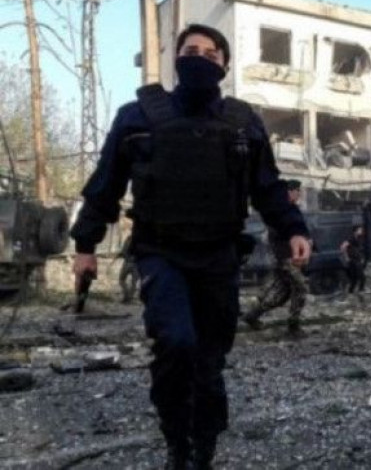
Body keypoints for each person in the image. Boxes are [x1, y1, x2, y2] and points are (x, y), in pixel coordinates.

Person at [70, 24, 311, 470]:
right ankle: (176, 443)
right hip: (161, 252)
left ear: (224, 66)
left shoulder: (242, 123)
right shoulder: (137, 117)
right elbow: (105, 184)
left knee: (209, 359)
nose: (200, 57)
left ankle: (203, 449)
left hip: (219, 255)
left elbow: (267, 186)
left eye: (211, 53)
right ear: (177, 58)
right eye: (191, 50)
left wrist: (295, 228)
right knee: (176, 343)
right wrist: (85, 245)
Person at [242, 179, 310, 336]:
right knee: (301, 288)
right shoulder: (280, 211)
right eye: (296, 191)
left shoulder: (292, 210)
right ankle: (293, 326)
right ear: (288, 192)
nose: (299, 194)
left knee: (282, 294)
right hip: (285, 258)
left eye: (299, 191)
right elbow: (277, 234)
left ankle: (252, 315)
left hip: (289, 257)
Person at [341, 225, 366, 299]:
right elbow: (343, 247)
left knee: (355, 278)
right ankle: (360, 291)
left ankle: (351, 291)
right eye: (360, 230)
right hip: (353, 260)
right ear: (356, 231)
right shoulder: (351, 238)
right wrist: (346, 257)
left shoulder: (359, 238)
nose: (361, 231)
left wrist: (361, 258)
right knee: (361, 277)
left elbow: (359, 249)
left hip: (357, 259)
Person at [117, 234, 139, 303]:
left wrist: (121, 255)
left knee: (121, 279)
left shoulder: (129, 238)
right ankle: (130, 298)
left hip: (127, 263)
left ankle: (126, 295)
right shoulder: (143, 241)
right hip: (137, 264)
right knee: (134, 282)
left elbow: (123, 251)